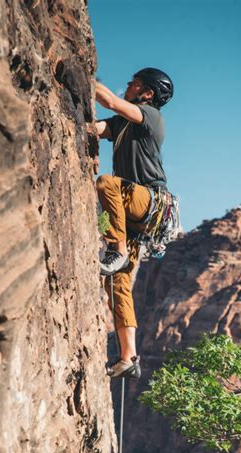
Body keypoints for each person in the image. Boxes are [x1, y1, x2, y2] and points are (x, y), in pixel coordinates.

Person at [95, 68, 174, 378]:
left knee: (106, 183)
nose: (128, 85)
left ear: (148, 93)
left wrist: (86, 78)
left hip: (150, 201)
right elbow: (98, 127)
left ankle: (117, 249)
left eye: (134, 83)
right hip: (132, 213)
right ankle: (129, 356)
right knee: (117, 282)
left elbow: (112, 103)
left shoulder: (150, 116)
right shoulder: (123, 125)